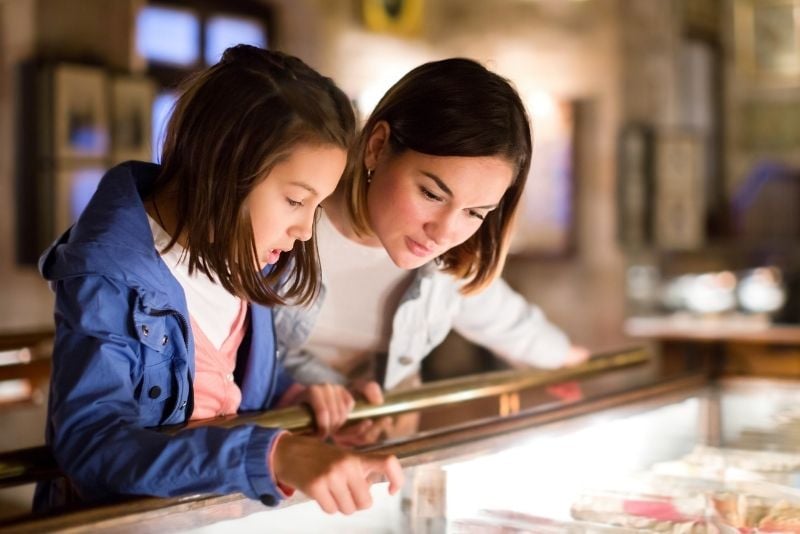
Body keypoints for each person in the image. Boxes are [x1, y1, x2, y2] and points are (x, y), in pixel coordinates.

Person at [34, 45, 402, 515]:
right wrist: (274, 454)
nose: (306, 231)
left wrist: (299, 399)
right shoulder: (109, 277)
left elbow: (222, 384)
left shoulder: (246, 256)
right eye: (295, 200)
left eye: (317, 205)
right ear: (225, 166)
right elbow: (93, 446)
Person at [275, 58, 589, 432]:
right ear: (377, 146)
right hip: (278, 443)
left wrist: (568, 360)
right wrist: (325, 391)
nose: (443, 232)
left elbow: (506, 320)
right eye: (431, 194)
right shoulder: (284, 229)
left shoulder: (450, 264)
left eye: (475, 213)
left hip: (380, 451)